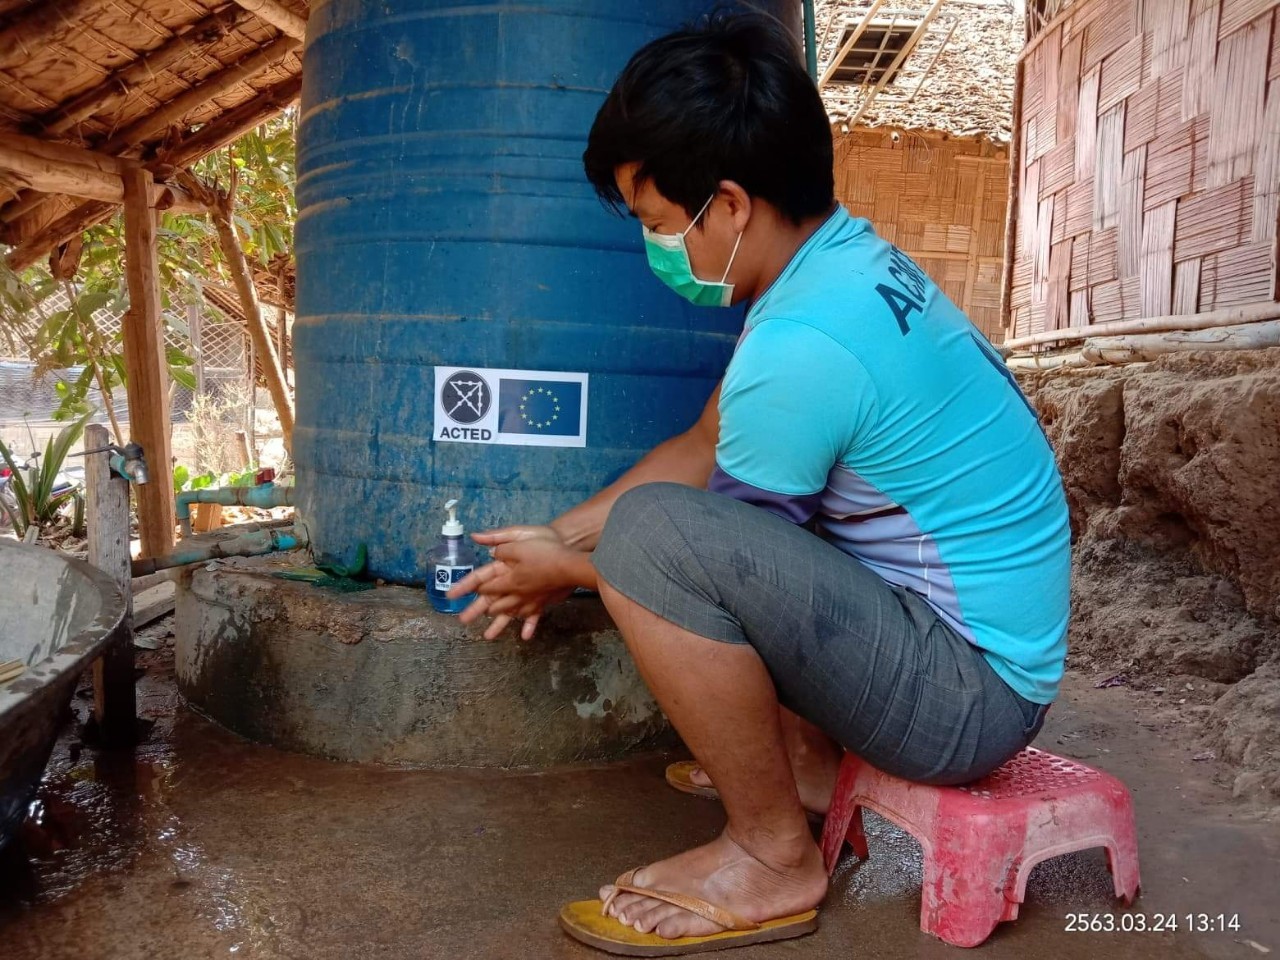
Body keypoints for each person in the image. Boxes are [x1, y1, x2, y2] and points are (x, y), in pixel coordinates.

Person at [448, 12, 1069, 955]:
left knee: (660, 540)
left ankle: (773, 854)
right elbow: (710, 441)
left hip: (968, 699)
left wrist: (566, 568)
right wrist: (556, 533)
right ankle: (812, 770)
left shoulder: (802, 346)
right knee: (685, 522)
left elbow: (693, 562)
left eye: (661, 226)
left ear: (729, 206)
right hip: (973, 648)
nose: (660, 250)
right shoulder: (836, 268)